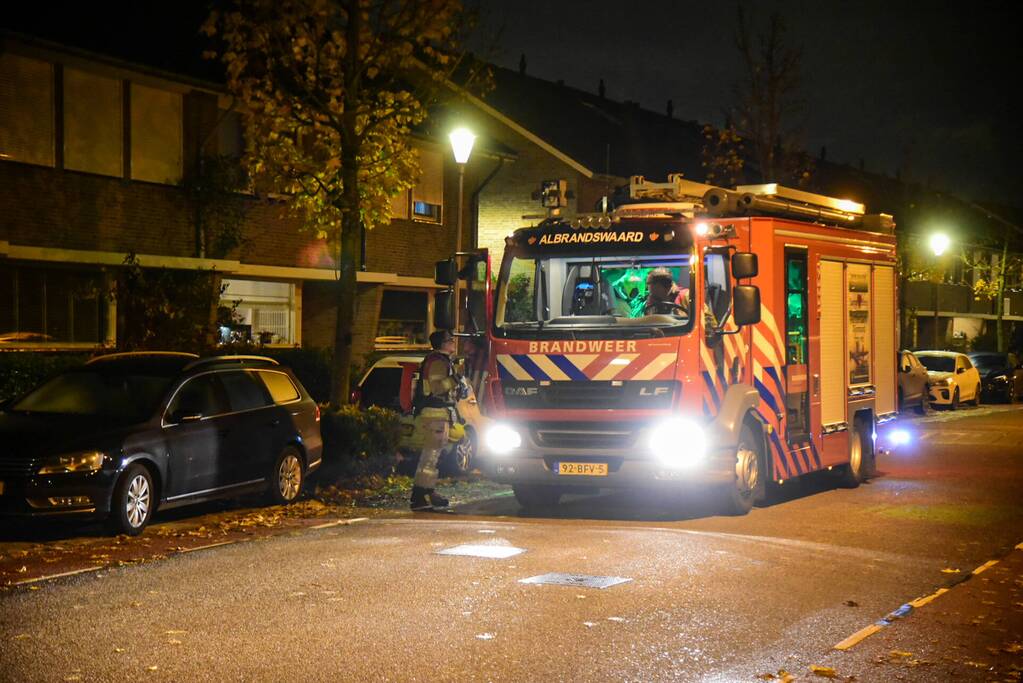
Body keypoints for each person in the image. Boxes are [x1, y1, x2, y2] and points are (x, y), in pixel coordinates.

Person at [409, 329, 461, 511]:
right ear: (443, 344)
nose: (453, 342)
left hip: (438, 415)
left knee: (433, 457)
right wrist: (456, 378)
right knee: (430, 457)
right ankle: (419, 496)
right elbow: (437, 388)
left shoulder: (441, 361)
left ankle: (428, 492)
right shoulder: (438, 362)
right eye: (450, 340)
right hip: (435, 416)